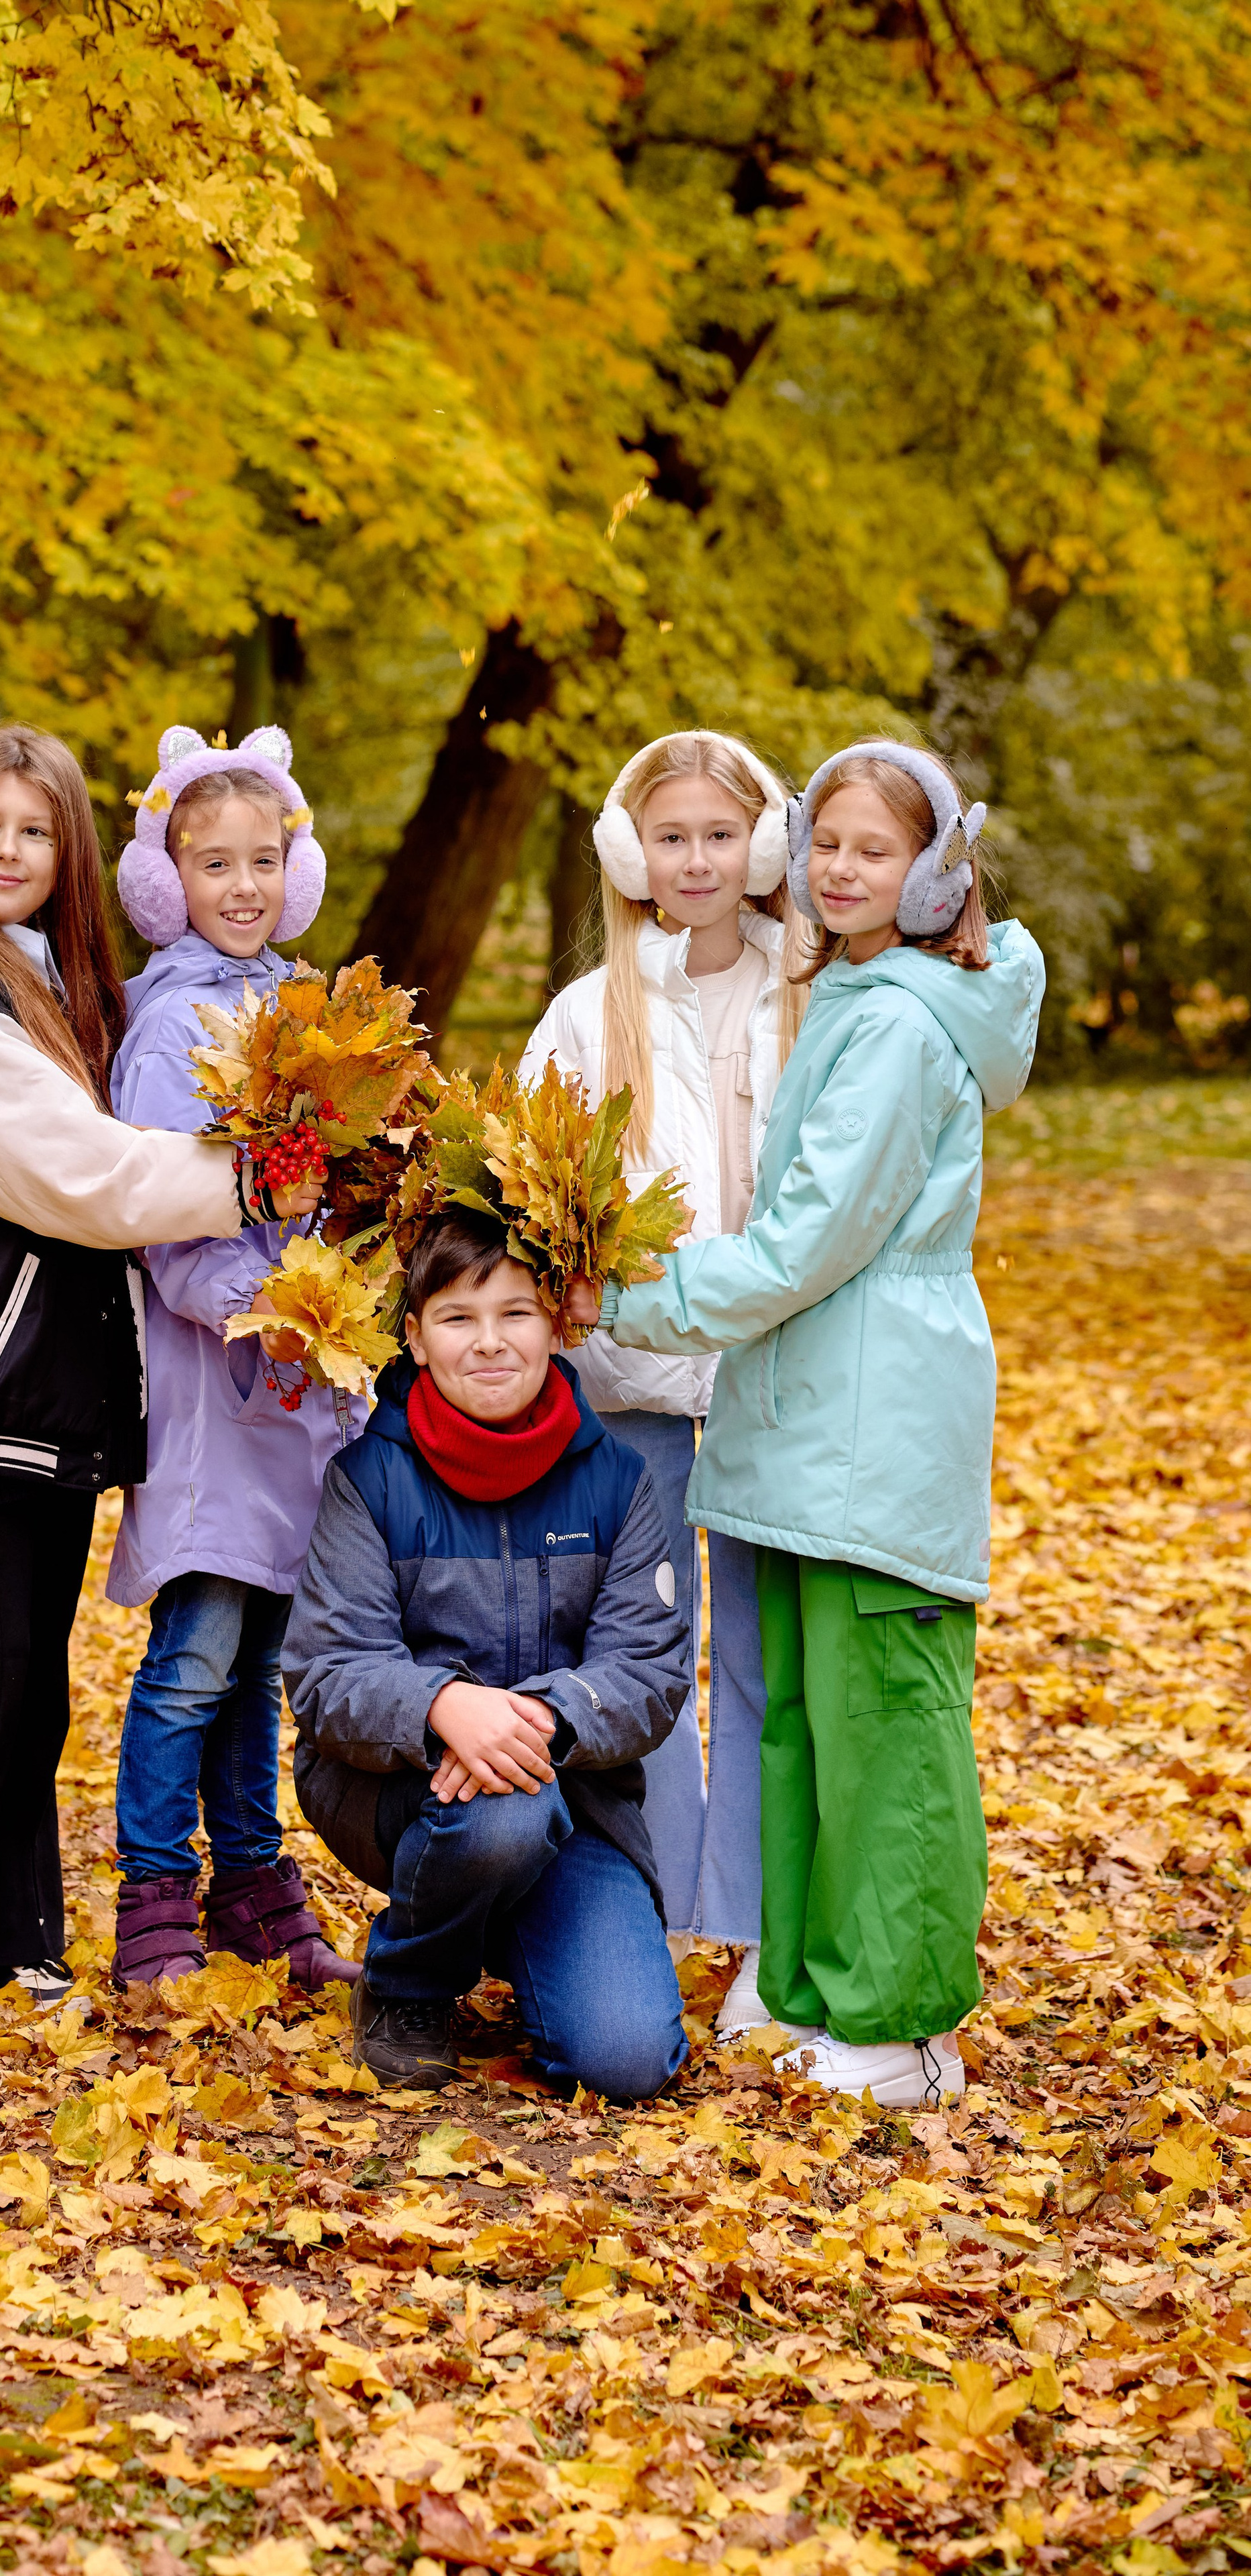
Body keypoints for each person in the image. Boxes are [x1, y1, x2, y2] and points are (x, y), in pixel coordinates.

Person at [570, 741, 1044, 2108]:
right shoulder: (849, 989)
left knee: (882, 1721)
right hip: (802, 1414)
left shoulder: (898, 1024)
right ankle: (805, 1976)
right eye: (824, 841)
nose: (838, 869)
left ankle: (900, 2023)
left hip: (868, 1408)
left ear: (935, 869)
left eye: (872, 850)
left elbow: (796, 1250)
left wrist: (615, 1299)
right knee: (802, 1722)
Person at [0, 723, 320, 2040]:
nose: (8, 851)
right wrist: (251, 1180)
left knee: (25, 1675)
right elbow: (87, 1177)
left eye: (34, 831)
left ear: (69, 856)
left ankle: (7, 1938)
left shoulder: (34, 982)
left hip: (33, 1396)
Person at [521, 731, 803, 2041]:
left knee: (758, 1661)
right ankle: (646, 1906)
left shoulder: (806, 994)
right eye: (670, 837)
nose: (693, 861)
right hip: (624, 1395)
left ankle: (749, 1932)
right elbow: (529, 1201)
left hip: (767, 1387)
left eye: (715, 835)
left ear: (759, 843)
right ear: (632, 854)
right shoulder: (588, 1014)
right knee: (644, 1663)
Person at [282, 1208, 692, 2100]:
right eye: (458, 1319)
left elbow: (649, 1673)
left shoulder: (617, 1480)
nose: (490, 1342)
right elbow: (325, 1671)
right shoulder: (370, 1479)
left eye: (515, 1313)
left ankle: (506, 1928)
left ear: (555, 1324)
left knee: (624, 2061)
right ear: (417, 1341)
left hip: (575, 1802)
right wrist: (441, 1708)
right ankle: (410, 1983)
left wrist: (541, 1717)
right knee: (504, 1814)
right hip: (393, 1790)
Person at [105, 723, 360, 1992]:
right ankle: (152, 1893)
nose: (246, 886)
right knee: (195, 1655)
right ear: (168, 881)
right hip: (219, 1391)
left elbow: (320, 1191)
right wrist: (290, 1303)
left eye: (266, 860)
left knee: (259, 1659)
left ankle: (252, 1885)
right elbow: (171, 1230)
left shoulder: (301, 1014)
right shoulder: (172, 1032)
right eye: (215, 864)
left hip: (293, 1393)